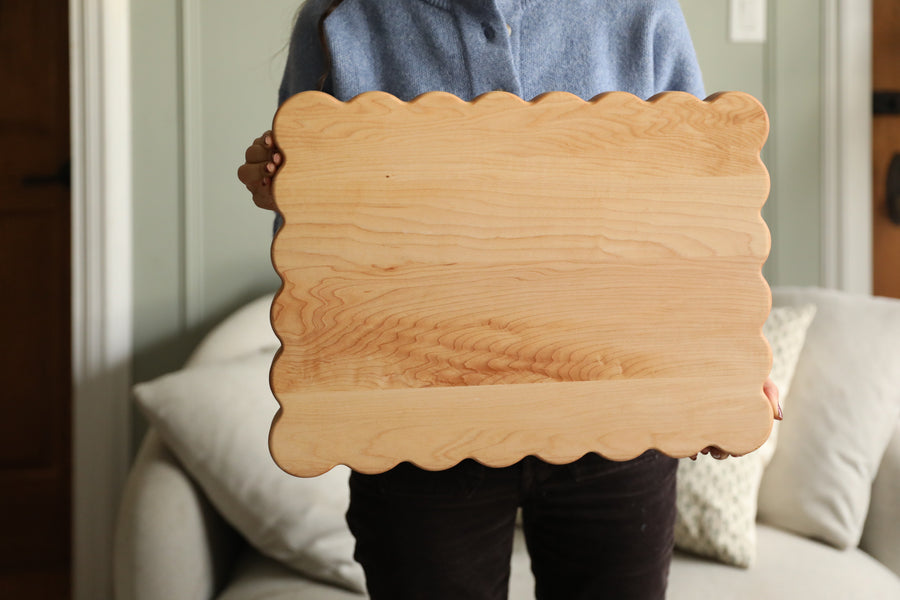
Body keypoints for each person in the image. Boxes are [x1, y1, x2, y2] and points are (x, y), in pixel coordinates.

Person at [239, 2, 782, 598]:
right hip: (415, 433)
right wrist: (287, 187)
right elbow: (319, 265)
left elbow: (700, 209)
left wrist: (722, 368)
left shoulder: (640, 10)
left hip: (617, 420)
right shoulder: (343, 19)